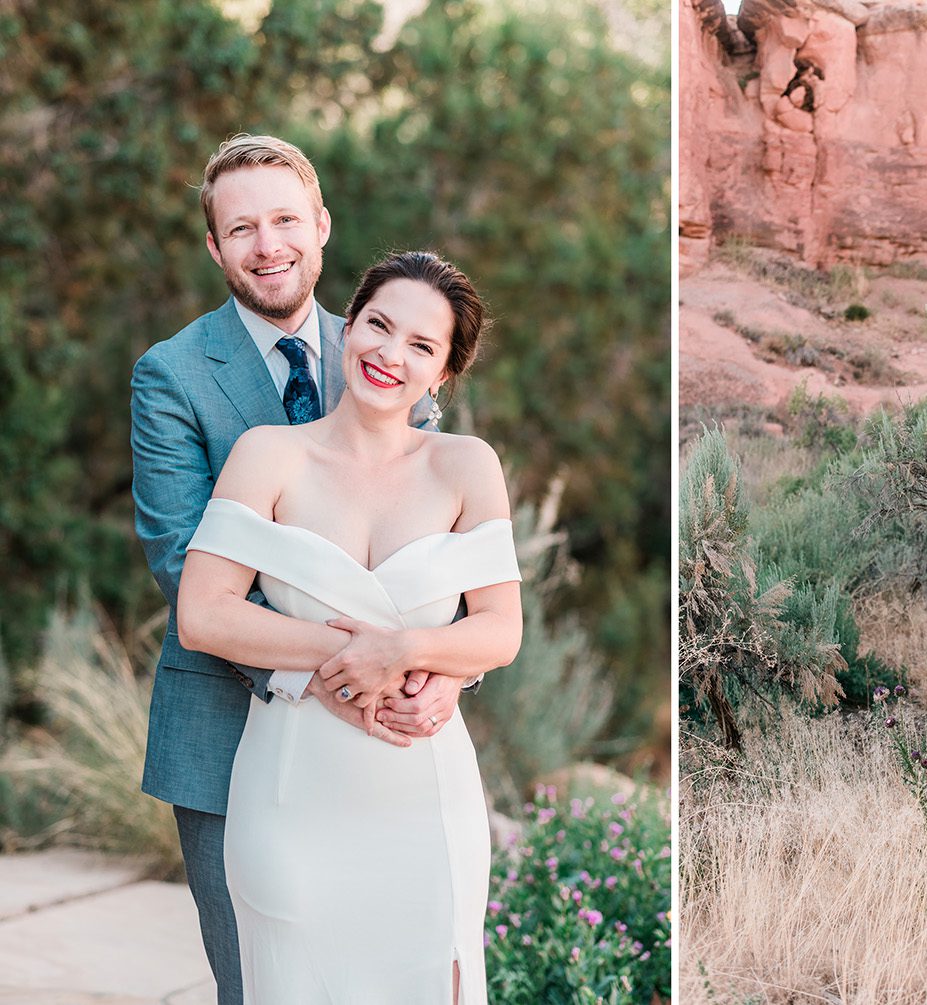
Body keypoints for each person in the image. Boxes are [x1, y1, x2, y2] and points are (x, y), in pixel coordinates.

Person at [130, 135, 484, 1004]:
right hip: (229, 723)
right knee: (264, 983)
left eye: (286, 218)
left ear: (322, 227)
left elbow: (442, 550)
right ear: (215, 247)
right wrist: (335, 668)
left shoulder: (393, 345)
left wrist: (444, 669)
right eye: (241, 227)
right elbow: (184, 562)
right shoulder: (171, 374)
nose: (269, 244)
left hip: (394, 744)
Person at [176, 249, 522, 1003]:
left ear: (444, 373)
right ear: (347, 326)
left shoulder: (467, 466)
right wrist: (347, 654)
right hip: (290, 795)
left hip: (427, 803)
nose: (390, 354)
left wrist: (408, 650)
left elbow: (501, 629)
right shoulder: (268, 454)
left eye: (422, 346)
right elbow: (202, 613)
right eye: (379, 325)